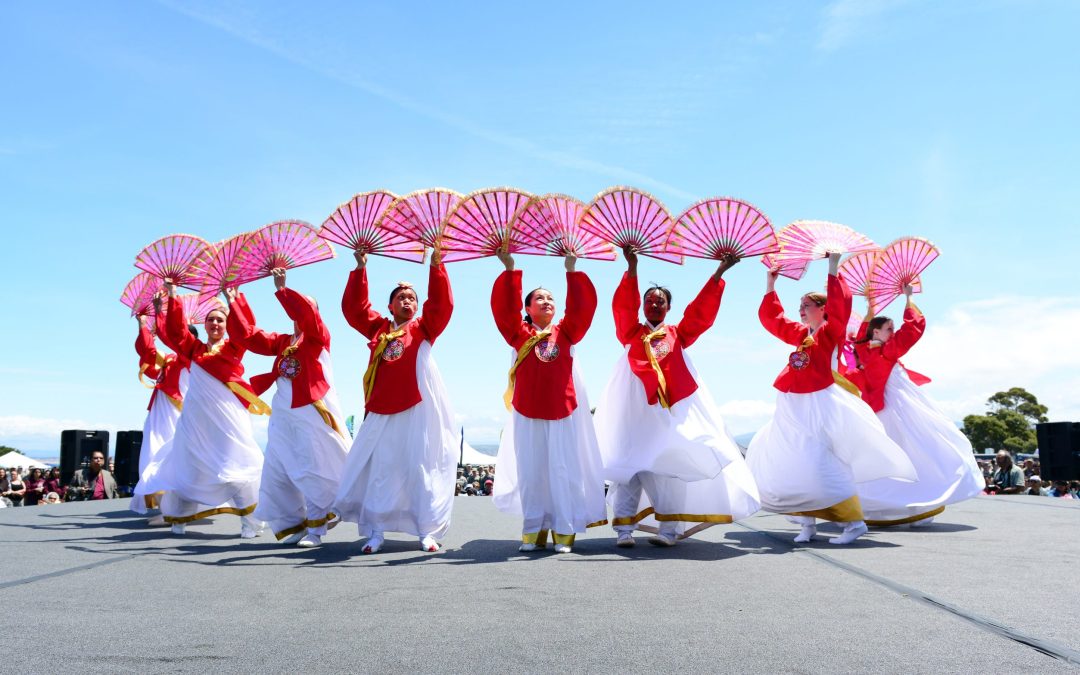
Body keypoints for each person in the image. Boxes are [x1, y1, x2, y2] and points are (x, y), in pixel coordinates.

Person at [745, 254, 917, 545]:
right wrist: (770, 284)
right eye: (799, 306)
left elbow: (840, 309)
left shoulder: (829, 332)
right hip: (793, 403)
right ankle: (807, 524)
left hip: (818, 402)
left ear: (822, 310)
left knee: (819, 461)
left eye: (806, 306)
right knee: (796, 460)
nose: (800, 310)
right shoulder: (801, 334)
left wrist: (833, 268)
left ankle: (854, 523)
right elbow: (773, 321)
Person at [595, 247, 760, 547]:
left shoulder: (678, 334)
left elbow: (700, 314)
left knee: (666, 470)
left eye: (660, 301)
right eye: (649, 301)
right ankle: (624, 531)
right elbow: (622, 308)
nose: (654, 305)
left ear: (669, 307)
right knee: (628, 468)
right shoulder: (631, 333)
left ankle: (669, 531)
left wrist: (719, 273)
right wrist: (632, 268)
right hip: (634, 410)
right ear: (642, 305)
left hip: (668, 412)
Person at [333, 248, 457, 554]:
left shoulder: (424, 328)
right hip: (380, 408)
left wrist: (436, 265)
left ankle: (426, 531)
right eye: (401, 297)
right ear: (390, 305)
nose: (407, 301)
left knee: (420, 469)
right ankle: (375, 532)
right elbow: (353, 309)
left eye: (412, 298)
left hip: (417, 408)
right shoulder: (379, 330)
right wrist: (360, 268)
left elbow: (442, 304)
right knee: (381, 471)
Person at [490, 249, 607, 554]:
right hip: (527, 412)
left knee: (563, 471)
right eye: (539, 298)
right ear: (527, 307)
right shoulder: (519, 333)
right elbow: (504, 311)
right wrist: (510, 269)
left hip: (563, 412)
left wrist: (571, 270)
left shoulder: (566, 332)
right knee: (531, 472)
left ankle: (564, 531)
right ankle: (533, 531)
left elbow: (582, 309)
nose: (546, 301)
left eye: (551, 298)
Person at [228, 268, 350, 548]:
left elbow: (307, 315)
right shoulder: (284, 342)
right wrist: (233, 300)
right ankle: (292, 523)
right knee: (278, 467)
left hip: (312, 408)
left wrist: (283, 288)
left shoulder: (319, 336)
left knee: (312, 467)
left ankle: (317, 529)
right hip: (283, 411)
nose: (301, 311)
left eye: (306, 306)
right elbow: (248, 335)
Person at [850, 286, 985, 526]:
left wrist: (908, 297)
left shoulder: (888, 350)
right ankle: (884, 506)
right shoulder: (866, 349)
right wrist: (871, 306)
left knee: (916, 449)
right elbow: (865, 331)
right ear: (876, 332)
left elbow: (912, 328)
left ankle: (914, 504)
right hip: (881, 408)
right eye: (888, 328)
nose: (893, 332)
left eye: (892, 328)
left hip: (900, 406)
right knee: (887, 455)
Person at [147, 282, 268, 537]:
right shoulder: (194, 349)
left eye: (220, 320)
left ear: (227, 325)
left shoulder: (235, 347)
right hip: (196, 420)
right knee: (189, 466)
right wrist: (171, 298)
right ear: (204, 324)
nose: (215, 324)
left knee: (238, 466)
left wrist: (233, 301)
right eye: (211, 320)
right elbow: (175, 333)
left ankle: (250, 521)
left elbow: (247, 330)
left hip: (228, 418)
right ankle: (180, 518)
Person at [130, 296, 193, 525]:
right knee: (151, 456)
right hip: (159, 413)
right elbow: (147, 355)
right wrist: (143, 324)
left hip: (179, 415)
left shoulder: (192, 358)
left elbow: (175, 338)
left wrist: (161, 315)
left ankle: (179, 508)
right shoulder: (168, 360)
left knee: (175, 459)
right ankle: (166, 508)